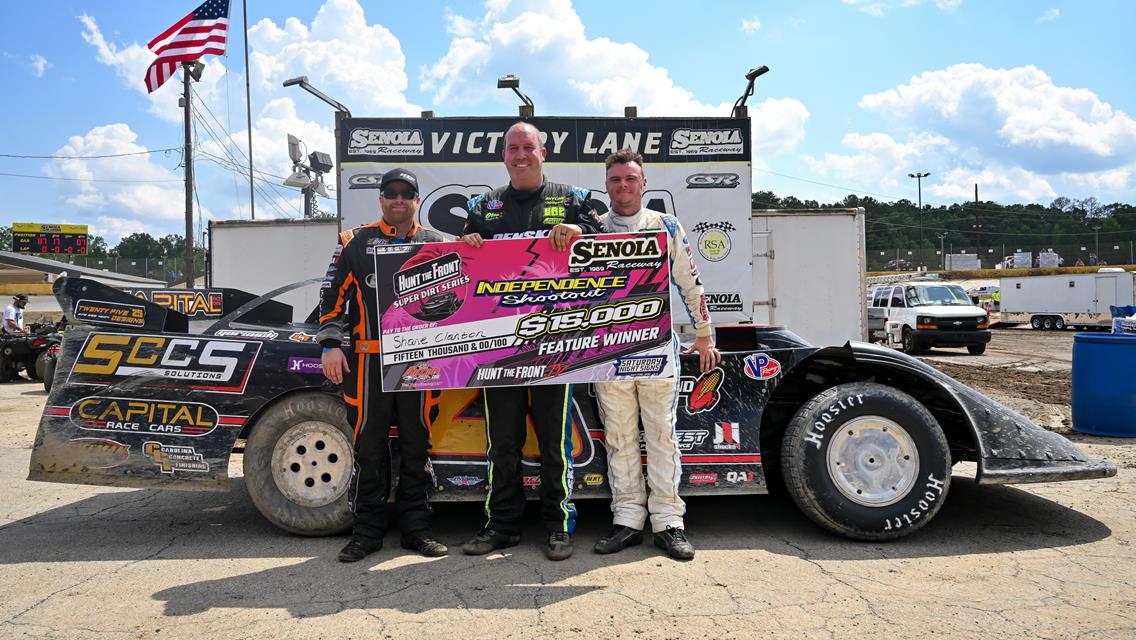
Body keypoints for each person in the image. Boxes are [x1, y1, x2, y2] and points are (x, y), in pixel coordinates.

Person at [459, 122, 605, 561]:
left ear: (543, 152)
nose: (520, 154)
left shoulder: (574, 199)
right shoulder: (482, 206)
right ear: (504, 155)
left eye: (528, 147)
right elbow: (460, 270)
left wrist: (581, 234)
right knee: (500, 441)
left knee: (553, 440)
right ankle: (500, 525)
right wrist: (464, 244)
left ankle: (559, 526)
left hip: (554, 342)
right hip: (496, 345)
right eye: (512, 148)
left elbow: (607, 246)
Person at [592, 148, 720, 560]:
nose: (623, 186)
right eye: (616, 179)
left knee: (662, 434)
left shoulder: (665, 225)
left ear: (644, 184)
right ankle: (627, 520)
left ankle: (669, 522)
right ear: (606, 184)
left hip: (656, 347)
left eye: (631, 178)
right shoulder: (592, 229)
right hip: (607, 351)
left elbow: (691, 282)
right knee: (619, 437)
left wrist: (704, 335)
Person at [318, 168, 448, 563]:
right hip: (368, 361)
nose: (398, 199)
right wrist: (329, 345)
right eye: (390, 192)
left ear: (416, 200)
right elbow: (331, 298)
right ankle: (367, 531)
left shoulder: (438, 244)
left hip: (420, 360)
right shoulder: (353, 241)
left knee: (416, 445)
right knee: (370, 447)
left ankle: (416, 529)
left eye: (406, 193)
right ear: (380, 199)